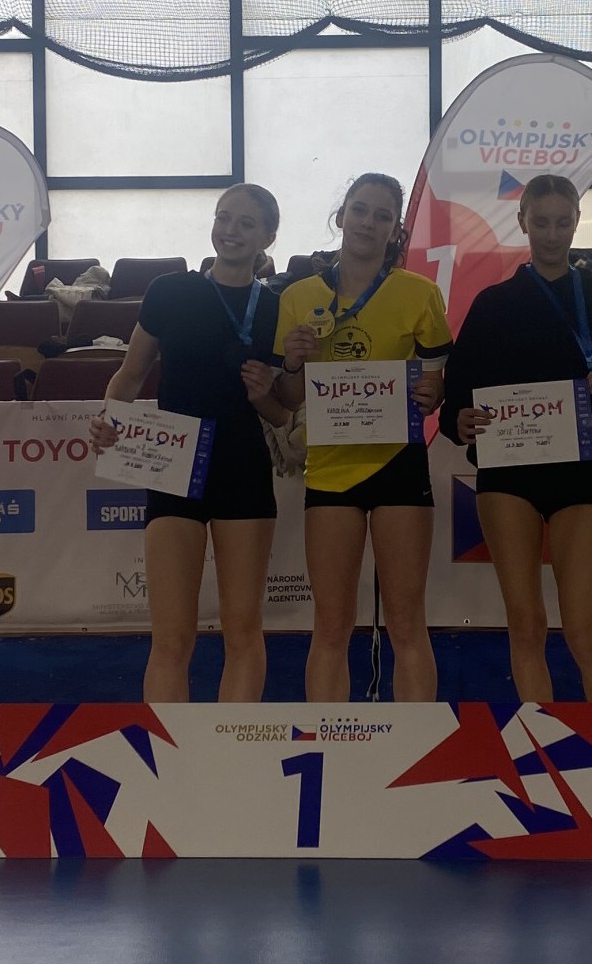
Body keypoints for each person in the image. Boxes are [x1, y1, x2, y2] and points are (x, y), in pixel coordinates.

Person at [442, 174, 592, 709]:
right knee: (526, 626)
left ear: (577, 222)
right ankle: (540, 743)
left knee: (585, 632)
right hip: (509, 475)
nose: (551, 234)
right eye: (540, 222)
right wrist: (459, 420)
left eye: (562, 222)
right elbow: (457, 396)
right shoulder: (492, 304)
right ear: (522, 223)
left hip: (583, 475)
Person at [89, 184, 290, 702]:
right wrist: (109, 418)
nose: (230, 230)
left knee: (242, 632)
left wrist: (266, 393)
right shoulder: (169, 291)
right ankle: (166, 750)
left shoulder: (277, 308)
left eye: (246, 223)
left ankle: (233, 746)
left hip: (243, 470)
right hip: (172, 468)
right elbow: (130, 374)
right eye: (224, 217)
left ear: (268, 236)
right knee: (171, 638)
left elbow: (285, 408)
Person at [273, 172, 451, 702]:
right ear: (341, 215)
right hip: (330, 470)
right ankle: (328, 740)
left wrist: (434, 392)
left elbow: (436, 380)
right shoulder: (298, 297)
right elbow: (289, 396)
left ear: (395, 229)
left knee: (407, 622)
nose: (368, 223)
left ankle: (415, 743)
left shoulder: (420, 293)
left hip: (399, 464)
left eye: (382, 215)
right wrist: (292, 362)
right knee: (331, 625)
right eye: (359, 210)